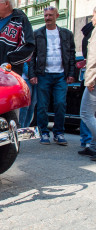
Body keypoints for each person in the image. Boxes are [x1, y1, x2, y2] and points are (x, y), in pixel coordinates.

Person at [28, 6, 76, 145]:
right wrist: (32, 74)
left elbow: (71, 55)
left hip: (61, 74)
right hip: (43, 75)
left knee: (60, 103)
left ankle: (59, 132)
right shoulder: (37, 33)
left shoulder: (66, 34)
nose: (47, 18)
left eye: (50, 15)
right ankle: (44, 132)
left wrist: (71, 73)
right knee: (42, 105)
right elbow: (32, 56)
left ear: (57, 16)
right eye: (46, 15)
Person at [0, 0, 35, 76]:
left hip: (9, 74)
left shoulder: (20, 20)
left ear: (6, 3)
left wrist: (9, 60)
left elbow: (29, 46)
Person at [79, 7, 96, 160]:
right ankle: (93, 146)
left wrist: (89, 80)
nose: (92, 19)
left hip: (94, 80)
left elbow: (93, 60)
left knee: (85, 113)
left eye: (94, 15)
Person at [19, 62, 37, 128]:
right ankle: (21, 126)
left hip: (38, 79)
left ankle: (26, 126)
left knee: (32, 105)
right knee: (26, 104)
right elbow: (24, 63)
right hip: (27, 78)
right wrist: (31, 75)